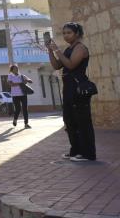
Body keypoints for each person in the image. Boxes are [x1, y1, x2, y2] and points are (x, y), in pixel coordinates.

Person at [47, 22, 96, 161]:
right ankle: (75, 151)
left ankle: (88, 153)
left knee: (82, 121)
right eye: (64, 33)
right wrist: (50, 51)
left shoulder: (80, 48)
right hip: (68, 88)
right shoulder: (69, 49)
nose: (66, 36)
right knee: (70, 120)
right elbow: (57, 65)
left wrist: (57, 51)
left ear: (77, 34)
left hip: (78, 88)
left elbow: (71, 64)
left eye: (69, 33)